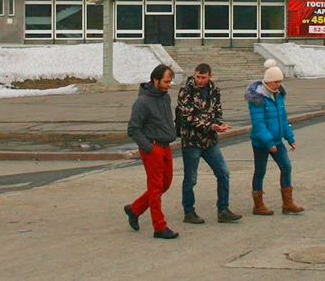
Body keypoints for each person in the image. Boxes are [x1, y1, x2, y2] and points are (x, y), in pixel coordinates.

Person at [176, 63, 242, 224]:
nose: (200, 80)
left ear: (210, 76)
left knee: (223, 173)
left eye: (203, 77)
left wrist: (219, 125)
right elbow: (188, 117)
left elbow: (217, 112)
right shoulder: (186, 91)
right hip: (192, 141)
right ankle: (189, 211)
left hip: (209, 141)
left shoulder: (214, 91)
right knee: (191, 178)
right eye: (197, 76)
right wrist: (210, 126)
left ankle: (223, 209)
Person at [124, 64, 179, 239]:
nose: (169, 84)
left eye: (170, 81)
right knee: (155, 188)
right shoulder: (142, 102)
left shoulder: (165, 97)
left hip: (165, 146)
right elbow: (133, 129)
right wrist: (149, 148)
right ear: (155, 80)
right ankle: (159, 227)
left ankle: (135, 209)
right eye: (166, 81)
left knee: (165, 184)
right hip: (152, 147)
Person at [245, 60, 304, 215]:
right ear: (268, 81)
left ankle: (288, 203)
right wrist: (268, 142)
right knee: (260, 171)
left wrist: (290, 138)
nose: (278, 85)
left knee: (286, 167)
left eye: (280, 81)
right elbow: (259, 124)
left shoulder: (278, 96)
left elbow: (283, 119)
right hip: (261, 142)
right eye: (276, 82)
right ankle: (258, 206)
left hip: (277, 140)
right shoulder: (257, 98)